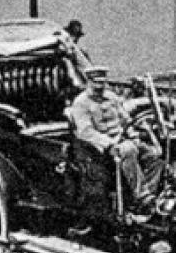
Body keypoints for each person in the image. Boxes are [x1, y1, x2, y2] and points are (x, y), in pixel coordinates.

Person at [68, 68, 163, 211]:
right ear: (89, 82)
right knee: (128, 150)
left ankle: (149, 195)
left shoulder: (112, 98)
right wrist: (109, 144)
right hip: (97, 148)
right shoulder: (81, 103)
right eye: (96, 83)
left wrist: (133, 135)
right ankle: (142, 196)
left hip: (122, 139)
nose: (100, 87)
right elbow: (85, 132)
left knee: (154, 155)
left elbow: (126, 120)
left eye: (102, 83)